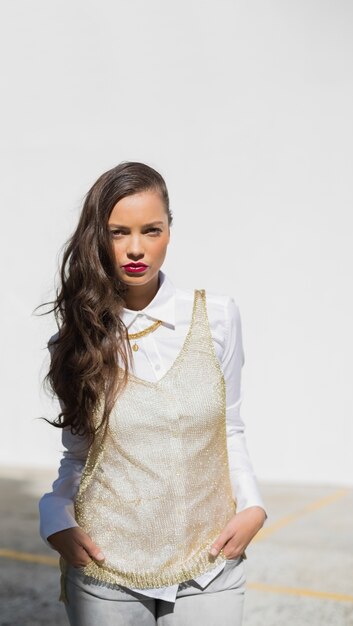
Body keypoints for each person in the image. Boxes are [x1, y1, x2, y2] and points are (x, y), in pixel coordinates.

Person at [38, 161, 268, 626]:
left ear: (169, 230)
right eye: (118, 232)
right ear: (96, 239)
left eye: (152, 230)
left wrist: (253, 506)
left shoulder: (219, 317)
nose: (136, 248)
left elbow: (231, 427)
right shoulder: (76, 341)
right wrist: (56, 519)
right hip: (107, 568)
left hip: (210, 560)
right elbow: (80, 457)